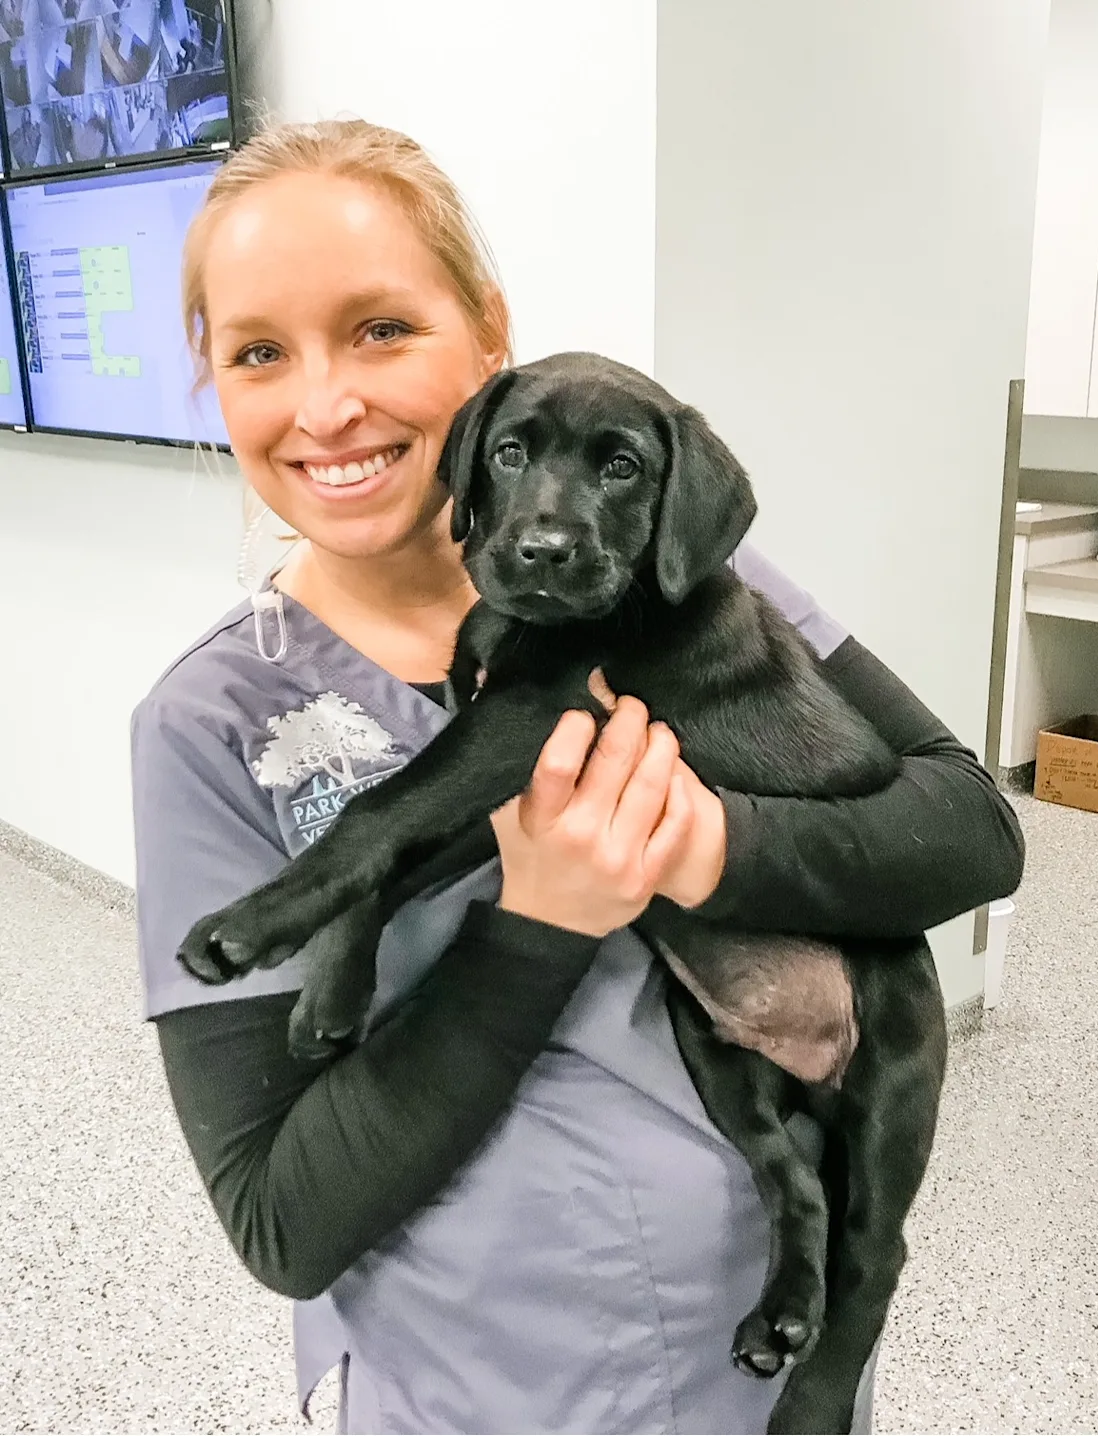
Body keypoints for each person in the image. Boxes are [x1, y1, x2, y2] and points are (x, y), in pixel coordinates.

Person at [131, 119, 1024, 1435]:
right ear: (213, 382)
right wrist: (540, 918)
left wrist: (702, 847)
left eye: (381, 328)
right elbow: (280, 1222)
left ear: (487, 340)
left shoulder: (680, 579)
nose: (325, 403)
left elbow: (969, 832)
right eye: (258, 351)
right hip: (493, 1395)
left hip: (769, 1371)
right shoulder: (210, 723)